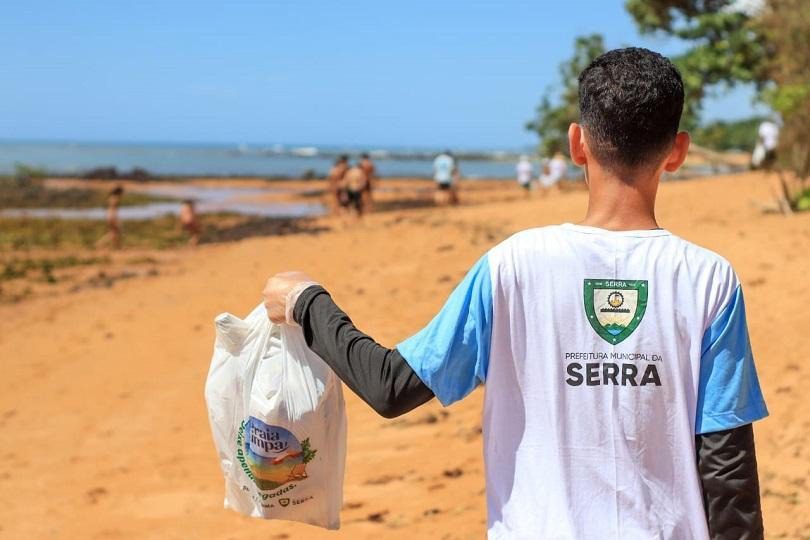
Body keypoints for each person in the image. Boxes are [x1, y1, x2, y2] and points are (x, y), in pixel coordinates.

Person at [262, 48, 767, 538]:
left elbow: (391, 387)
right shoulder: (709, 279)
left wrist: (307, 302)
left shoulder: (512, 266)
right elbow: (727, 468)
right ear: (677, 151)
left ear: (577, 144)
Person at [97, 185, 123, 249]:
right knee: (115, 232)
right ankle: (100, 244)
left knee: (114, 232)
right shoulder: (115, 198)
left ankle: (117, 246)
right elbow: (113, 209)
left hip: (109, 215)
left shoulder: (111, 197)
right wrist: (116, 219)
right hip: (112, 216)